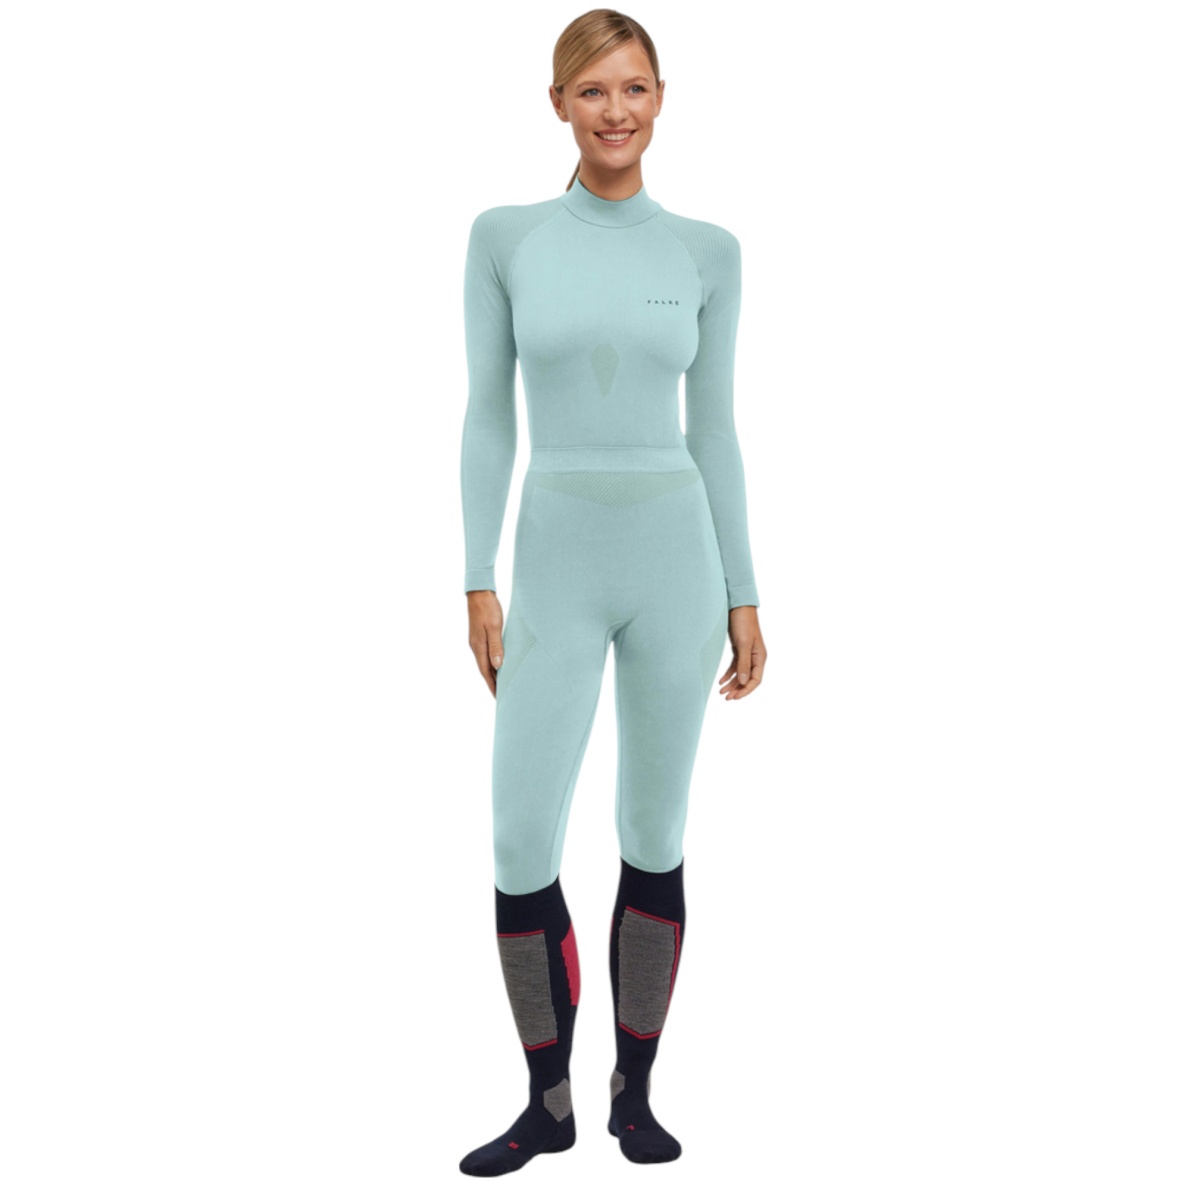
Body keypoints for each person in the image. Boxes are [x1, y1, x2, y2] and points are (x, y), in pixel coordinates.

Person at [458, 9, 767, 1176]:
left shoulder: (708, 252)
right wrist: (475, 576)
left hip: (676, 565)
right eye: (592, 91)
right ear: (558, 105)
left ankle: (634, 1095)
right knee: (518, 837)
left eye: (634, 87)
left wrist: (744, 589)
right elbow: (488, 416)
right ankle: (548, 1103)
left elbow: (717, 428)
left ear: (661, 97)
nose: (616, 110)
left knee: (653, 830)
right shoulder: (506, 238)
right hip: (553, 563)